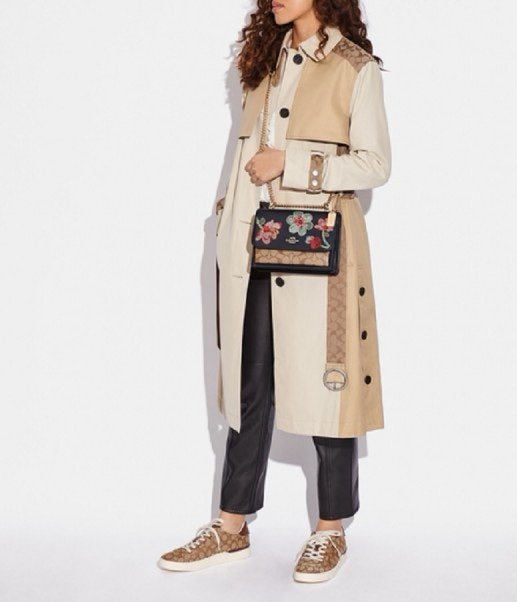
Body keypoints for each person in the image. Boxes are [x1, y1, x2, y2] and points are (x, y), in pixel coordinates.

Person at [157, 0, 391, 583]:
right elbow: (242, 161)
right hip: (252, 246)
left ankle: (331, 530)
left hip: (318, 249)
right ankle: (231, 525)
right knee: (248, 383)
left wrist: (294, 162)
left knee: (328, 383)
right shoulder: (260, 61)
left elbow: (375, 165)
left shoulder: (354, 67)